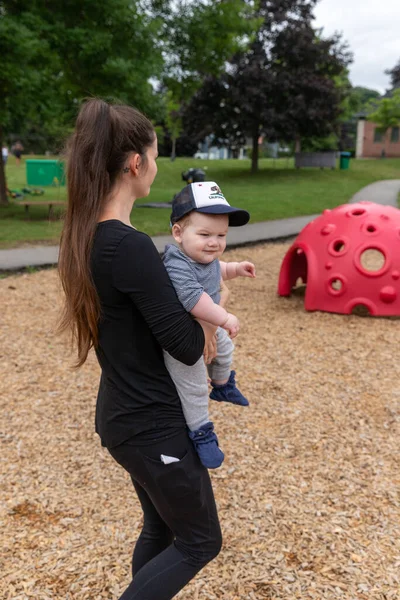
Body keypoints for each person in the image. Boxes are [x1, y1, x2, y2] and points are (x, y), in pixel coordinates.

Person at [58, 98, 224, 600]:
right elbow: (184, 343)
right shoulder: (127, 245)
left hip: (124, 414)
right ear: (135, 163)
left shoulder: (88, 235)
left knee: (161, 530)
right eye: (153, 156)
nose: (155, 166)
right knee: (200, 541)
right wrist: (211, 324)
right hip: (151, 421)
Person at [163, 182, 256, 469]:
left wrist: (236, 268)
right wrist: (223, 318)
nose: (214, 243)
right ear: (178, 233)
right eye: (205, 234)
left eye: (221, 235)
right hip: (181, 338)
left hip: (206, 326)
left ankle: (222, 384)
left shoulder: (203, 256)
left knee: (226, 351)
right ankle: (201, 432)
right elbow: (193, 298)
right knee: (192, 386)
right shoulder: (176, 262)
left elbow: (218, 270)